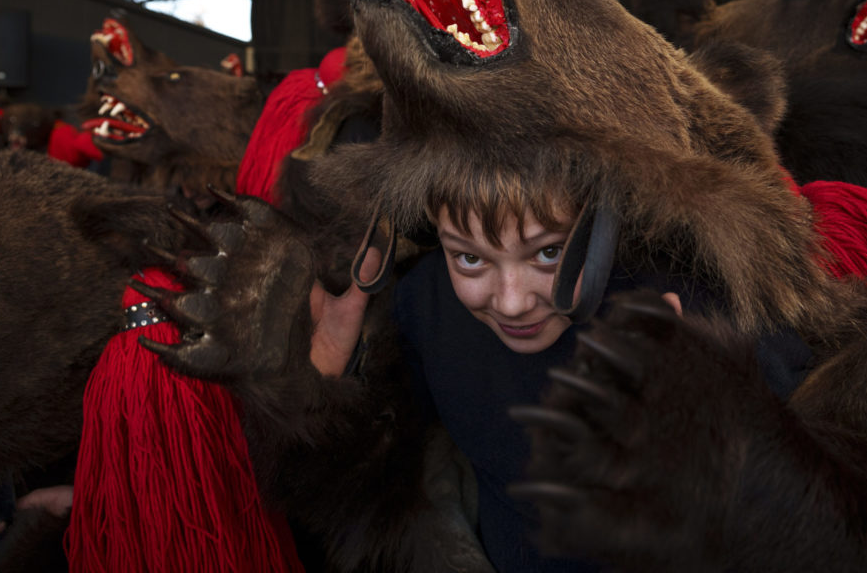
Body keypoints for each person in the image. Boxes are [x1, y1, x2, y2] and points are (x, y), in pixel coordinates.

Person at [306, 173, 811, 573]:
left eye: (548, 251)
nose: (512, 302)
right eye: (469, 258)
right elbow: (391, 455)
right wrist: (328, 387)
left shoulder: (701, 305)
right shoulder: (424, 301)